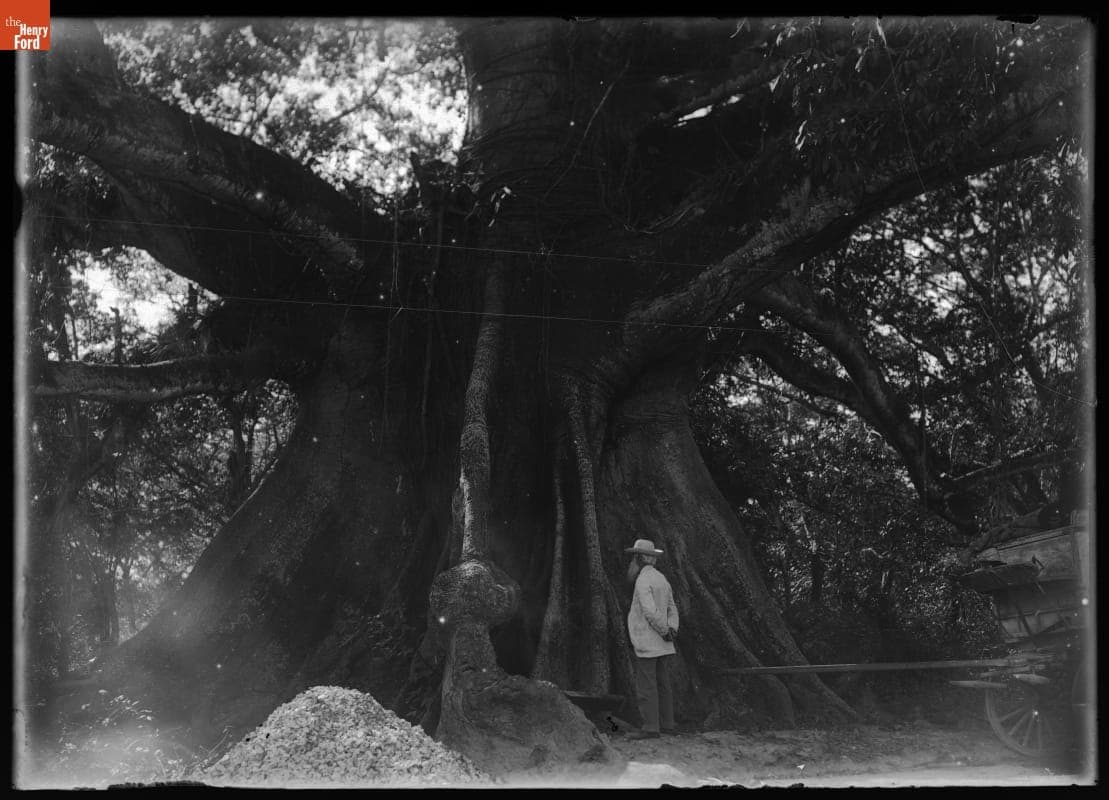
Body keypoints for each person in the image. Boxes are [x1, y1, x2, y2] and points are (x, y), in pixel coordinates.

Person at [624, 538, 679, 739]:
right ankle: (668, 725)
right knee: (663, 683)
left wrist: (664, 629)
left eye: (633, 558)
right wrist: (672, 629)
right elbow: (672, 608)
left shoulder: (642, 580)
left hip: (648, 640)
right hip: (664, 643)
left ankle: (650, 727)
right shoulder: (662, 579)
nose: (631, 563)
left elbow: (649, 611)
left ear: (639, 559)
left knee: (647, 685)